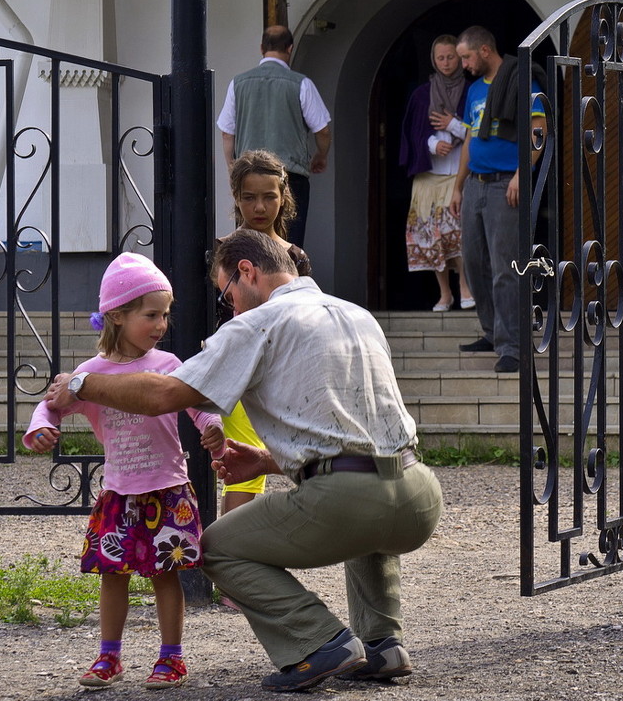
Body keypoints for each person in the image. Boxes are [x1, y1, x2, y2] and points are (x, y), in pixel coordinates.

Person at [44, 230, 443, 693]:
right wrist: (267, 463)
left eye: (227, 293)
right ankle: (383, 645)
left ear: (247, 272)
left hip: (350, 499)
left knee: (210, 547)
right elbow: (358, 438)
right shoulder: (356, 314)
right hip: (418, 495)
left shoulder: (258, 323)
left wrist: (80, 385)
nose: (230, 306)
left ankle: (320, 642)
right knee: (369, 515)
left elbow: (164, 395)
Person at [24, 252, 223, 691]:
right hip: (119, 493)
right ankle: (108, 657)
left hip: (168, 488)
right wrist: (41, 426)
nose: (161, 324)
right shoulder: (90, 374)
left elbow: (199, 404)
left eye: (165, 315)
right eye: (151, 314)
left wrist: (212, 429)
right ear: (117, 314)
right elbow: (52, 402)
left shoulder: (168, 366)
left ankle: (171, 659)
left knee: (165, 575)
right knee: (112, 577)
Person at [214, 150, 311, 518]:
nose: (260, 206)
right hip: (233, 363)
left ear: (283, 197)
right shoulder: (221, 250)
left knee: (291, 452)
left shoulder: (294, 258)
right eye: (250, 197)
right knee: (240, 457)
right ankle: (229, 556)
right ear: (236, 198)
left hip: (279, 368)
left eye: (269, 196)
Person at [450, 26, 547, 373]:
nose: (463, 64)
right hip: (475, 183)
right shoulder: (475, 89)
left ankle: (512, 346)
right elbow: (470, 139)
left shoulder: (522, 82)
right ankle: (492, 333)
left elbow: (538, 131)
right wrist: (458, 185)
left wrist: (523, 173)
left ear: (486, 50)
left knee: (507, 267)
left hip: (506, 183)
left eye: (466, 57)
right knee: (474, 263)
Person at [216, 25, 332, 247]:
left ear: (262, 48)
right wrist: (320, 155)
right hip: (288, 177)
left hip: (249, 176)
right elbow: (323, 130)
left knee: (249, 245)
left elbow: (227, 133)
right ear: (290, 48)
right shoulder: (302, 84)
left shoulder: (238, 83)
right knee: (288, 245)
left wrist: (233, 167)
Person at [399, 35, 474, 312]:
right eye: (440, 58)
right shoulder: (421, 94)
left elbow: (477, 130)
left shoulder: (471, 91)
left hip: (458, 174)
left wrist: (452, 125)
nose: (445, 63)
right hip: (429, 176)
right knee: (432, 235)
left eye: (450, 57)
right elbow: (412, 132)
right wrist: (432, 143)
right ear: (433, 59)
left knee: (459, 234)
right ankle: (445, 294)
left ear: (460, 59)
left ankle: (465, 287)